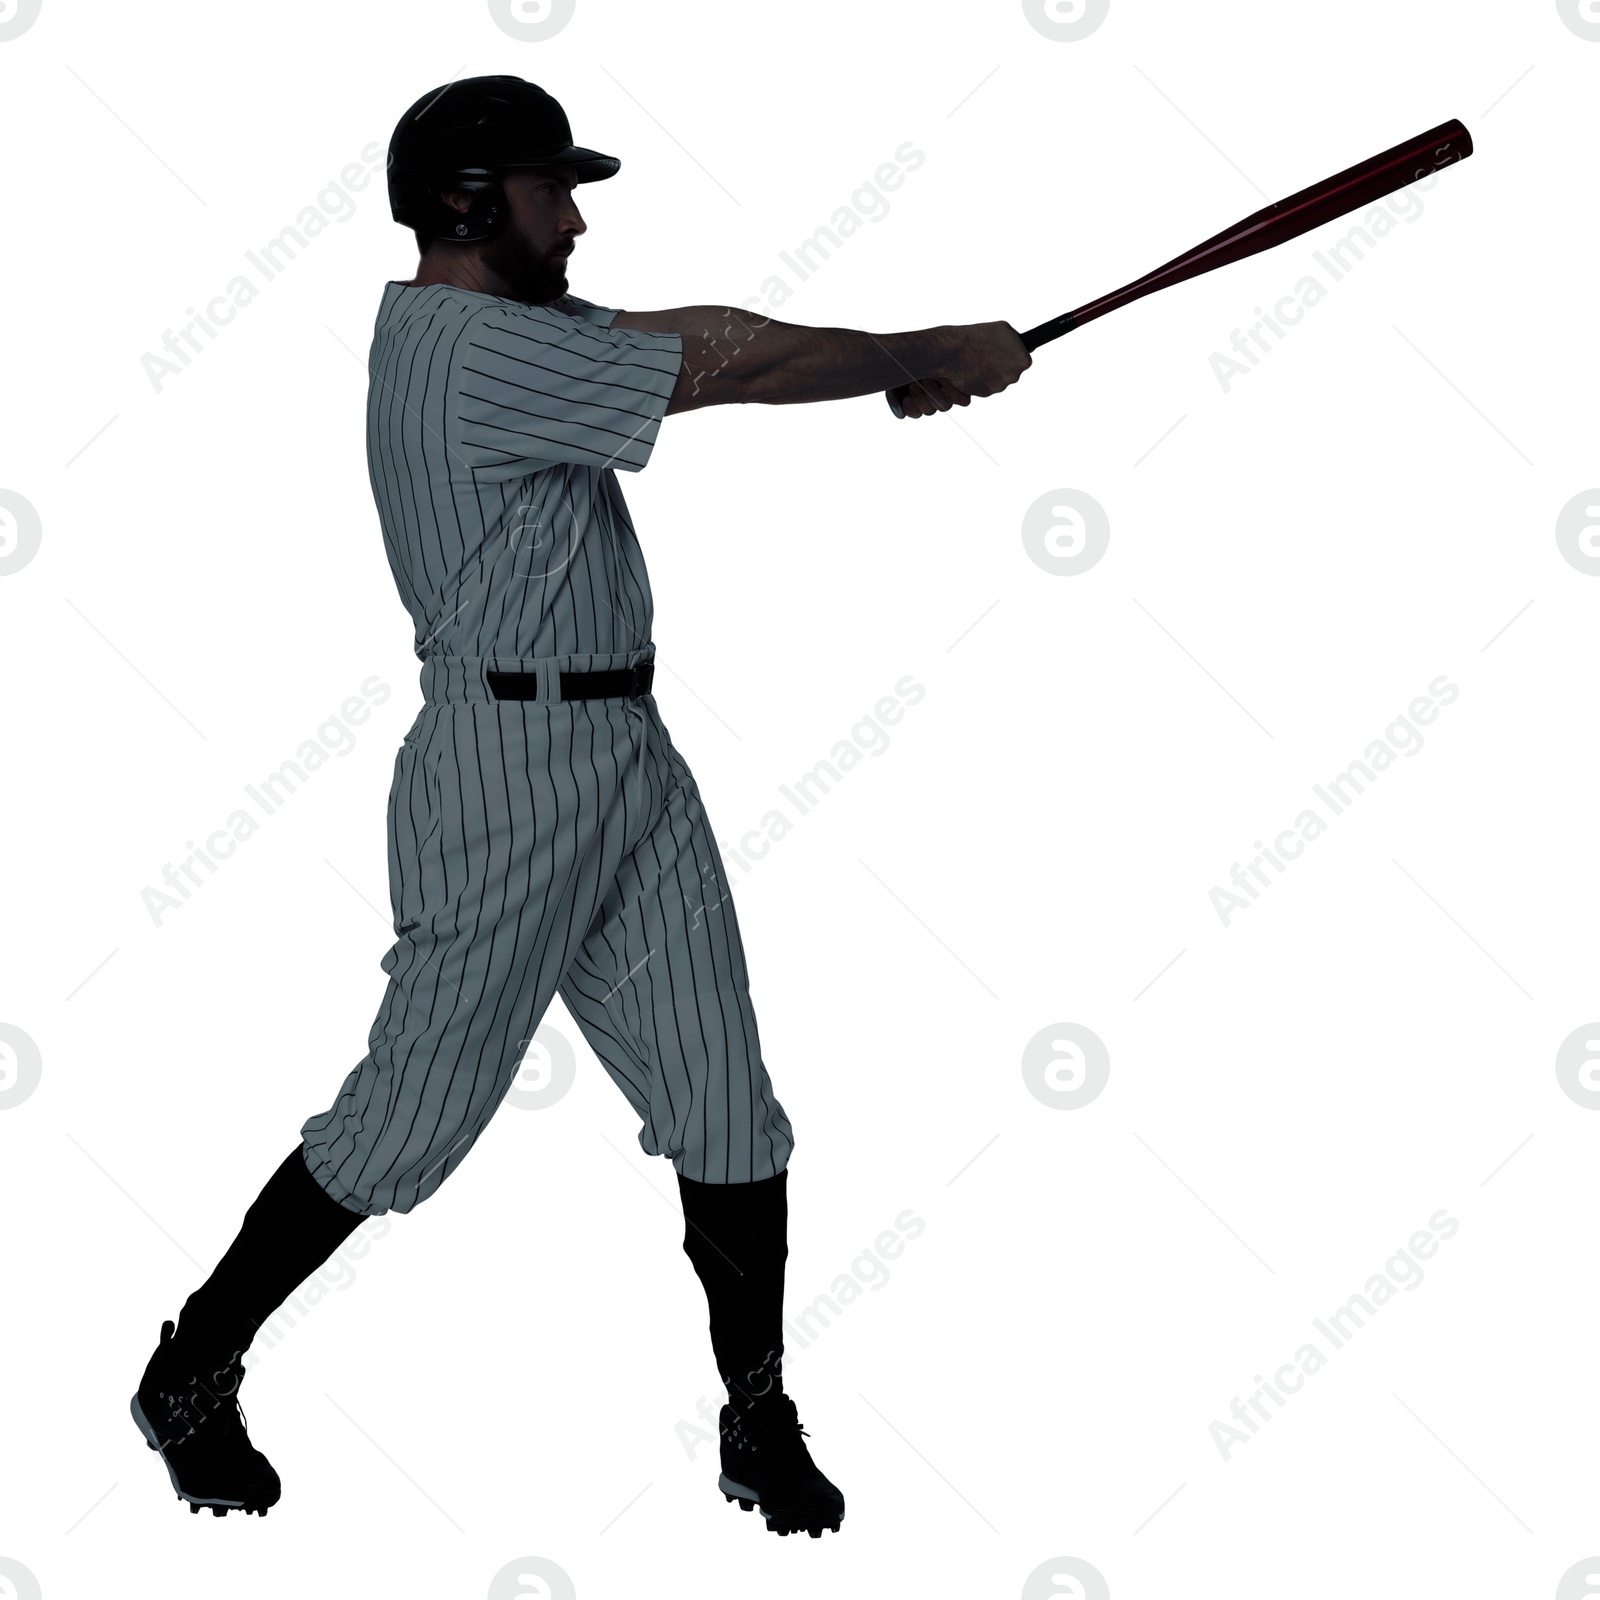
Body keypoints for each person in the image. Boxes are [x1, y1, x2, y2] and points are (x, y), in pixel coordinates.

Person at [130, 74, 1030, 1538]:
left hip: (626, 754)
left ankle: (754, 1412)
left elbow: (702, 342)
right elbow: (725, 356)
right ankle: (192, 1367)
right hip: (504, 777)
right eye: (555, 187)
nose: (577, 210)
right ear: (479, 206)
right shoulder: (464, 349)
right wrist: (927, 349)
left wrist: (887, 368)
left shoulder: (519, 330)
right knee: (403, 1122)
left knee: (729, 1107)